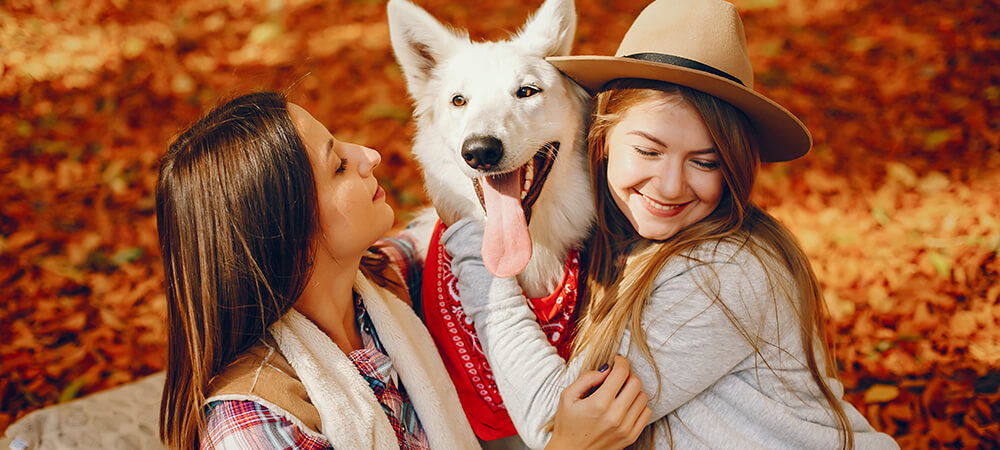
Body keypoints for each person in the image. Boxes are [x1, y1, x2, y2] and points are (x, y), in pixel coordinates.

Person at [439, 0, 901, 449]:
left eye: (705, 161)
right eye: (649, 151)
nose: (670, 185)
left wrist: (470, 237)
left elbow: (556, 423)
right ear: (599, 134)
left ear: (734, 167)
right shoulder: (617, 236)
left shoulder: (724, 272)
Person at [155, 91, 649, 449]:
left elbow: (457, 233)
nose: (368, 156)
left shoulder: (384, 281)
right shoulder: (256, 424)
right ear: (288, 229)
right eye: (338, 166)